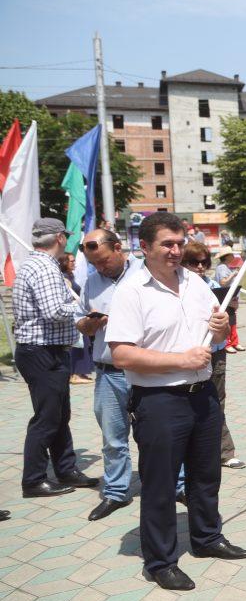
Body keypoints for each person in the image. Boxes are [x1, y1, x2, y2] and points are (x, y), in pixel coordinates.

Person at [106, 212, 246, 590]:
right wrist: (180, 361)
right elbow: (121, 355)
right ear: (145, 247)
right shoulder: (132, 291)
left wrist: (221, 330)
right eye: (167, 244)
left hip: (202, 395)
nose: (175, 251)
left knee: (206, 476)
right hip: (159, 401)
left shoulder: (197, 283)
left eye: (179, 243)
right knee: (161, 484)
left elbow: (215, 337)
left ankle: (206, 538)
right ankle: (160, 560)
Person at [13, 218, 99, 498]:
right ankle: (34, 480)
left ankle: (66, 469)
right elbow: (53, 310)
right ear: (61, 238)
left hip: (43, 350)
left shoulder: (36, 264)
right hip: (42, 351)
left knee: (59, 416)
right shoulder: (46, 269)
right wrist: (83, 310)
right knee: (48, 418)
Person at [77, 229, 142, 521]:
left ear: (118, 248)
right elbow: (80, 320)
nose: (100, 268)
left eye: (104, 261)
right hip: (108, 373)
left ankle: (176, 485)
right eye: (95, 264)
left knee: (159, 434)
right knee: (113, 438)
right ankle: (116, 492)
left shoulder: (145, 273)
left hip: (145, 370)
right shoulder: (91, 283)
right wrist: (89, 326)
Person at [180, 242, 244, 470]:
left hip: (214, 354)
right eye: (193, 262)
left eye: (203, 263)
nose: (199, 267)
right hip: (186, 357)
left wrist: (231, 307)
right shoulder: (179, 287)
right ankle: (194, 454)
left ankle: (225, 452)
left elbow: (227, 320)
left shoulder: (214, 285)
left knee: (217, 403)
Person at [59, 253, 94, 384]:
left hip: (78, 312)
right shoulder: (64, 278)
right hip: (73, 313)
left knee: (82, 343)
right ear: (64, 262)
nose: (74, 263)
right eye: (71, 261)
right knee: (78, 344)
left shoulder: (70, 276)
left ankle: (80, 372)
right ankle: (75, 374)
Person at [213, 247, 243, 353]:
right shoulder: (221, 267)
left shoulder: (226, 267)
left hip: (231, 297)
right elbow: (223, 282)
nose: (234, 256)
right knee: (228, 320)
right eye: (231, 254)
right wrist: (233, 275)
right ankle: (228, 343)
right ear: (226, 256)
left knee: (233, 319)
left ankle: (234, 341)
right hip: (225, 298)